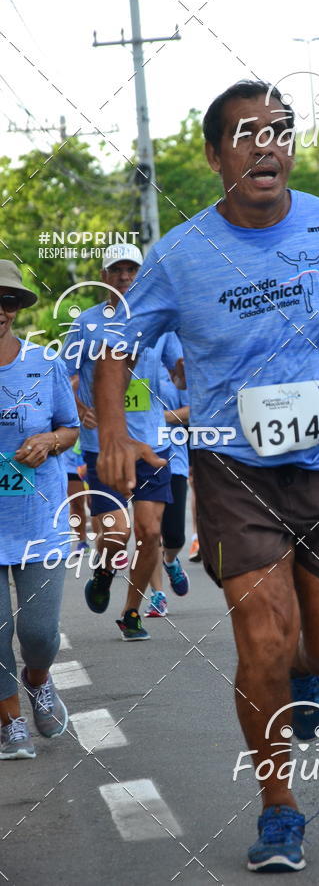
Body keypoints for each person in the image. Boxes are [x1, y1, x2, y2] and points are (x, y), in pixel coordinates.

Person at [93, 79, 319, 872]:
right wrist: (112, 431)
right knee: (261, 637)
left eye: (278, 130)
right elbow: (114, 345)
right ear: (215, 157)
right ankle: (279, 805)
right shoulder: (179, 254)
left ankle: (304, 674)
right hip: (234, 467)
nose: (265, 144)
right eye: (245, 134)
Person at [61, 245, 184, 641]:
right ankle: (103, 571)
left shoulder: (160, 324)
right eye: (117, 270)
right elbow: (61, 376)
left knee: (150, 533)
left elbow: (178, 372)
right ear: (104, 275)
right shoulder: (87, 324)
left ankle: (131, 612)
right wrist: (79, 411)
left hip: (152, 445)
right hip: (104, 447)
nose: (126, 276)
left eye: (133, 269)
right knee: (116, 535)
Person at [0, 260, 79, 759]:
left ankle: (38, 678)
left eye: (7, 301)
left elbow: (71, 426)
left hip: (38, 522)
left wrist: (50, 440)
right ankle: (10, 721)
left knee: (37, 633)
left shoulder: (42, 363)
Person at [145, 346, 190, 618]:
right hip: (144, 460)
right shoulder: (131, 368)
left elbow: (192, 410)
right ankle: (157, 595)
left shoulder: (175, 368)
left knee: (173, 535)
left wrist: (158, 419)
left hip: (175, 460)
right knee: (149, 532)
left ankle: (171, 561)